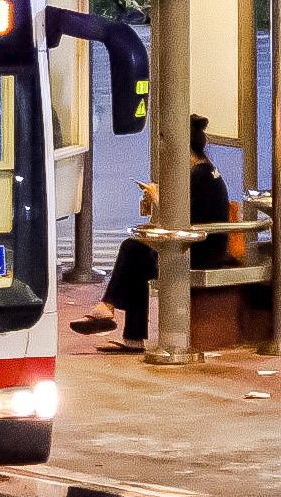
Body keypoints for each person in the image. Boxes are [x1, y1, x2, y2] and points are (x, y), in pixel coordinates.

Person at [73, 114, 231, 351]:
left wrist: (158, 198)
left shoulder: (197, 178)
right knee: (136, 253)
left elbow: (177, 220)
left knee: (133, 252)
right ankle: (123, 328)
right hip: (203, 248)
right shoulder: (207, 172)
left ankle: (112, 314)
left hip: (198, 254)